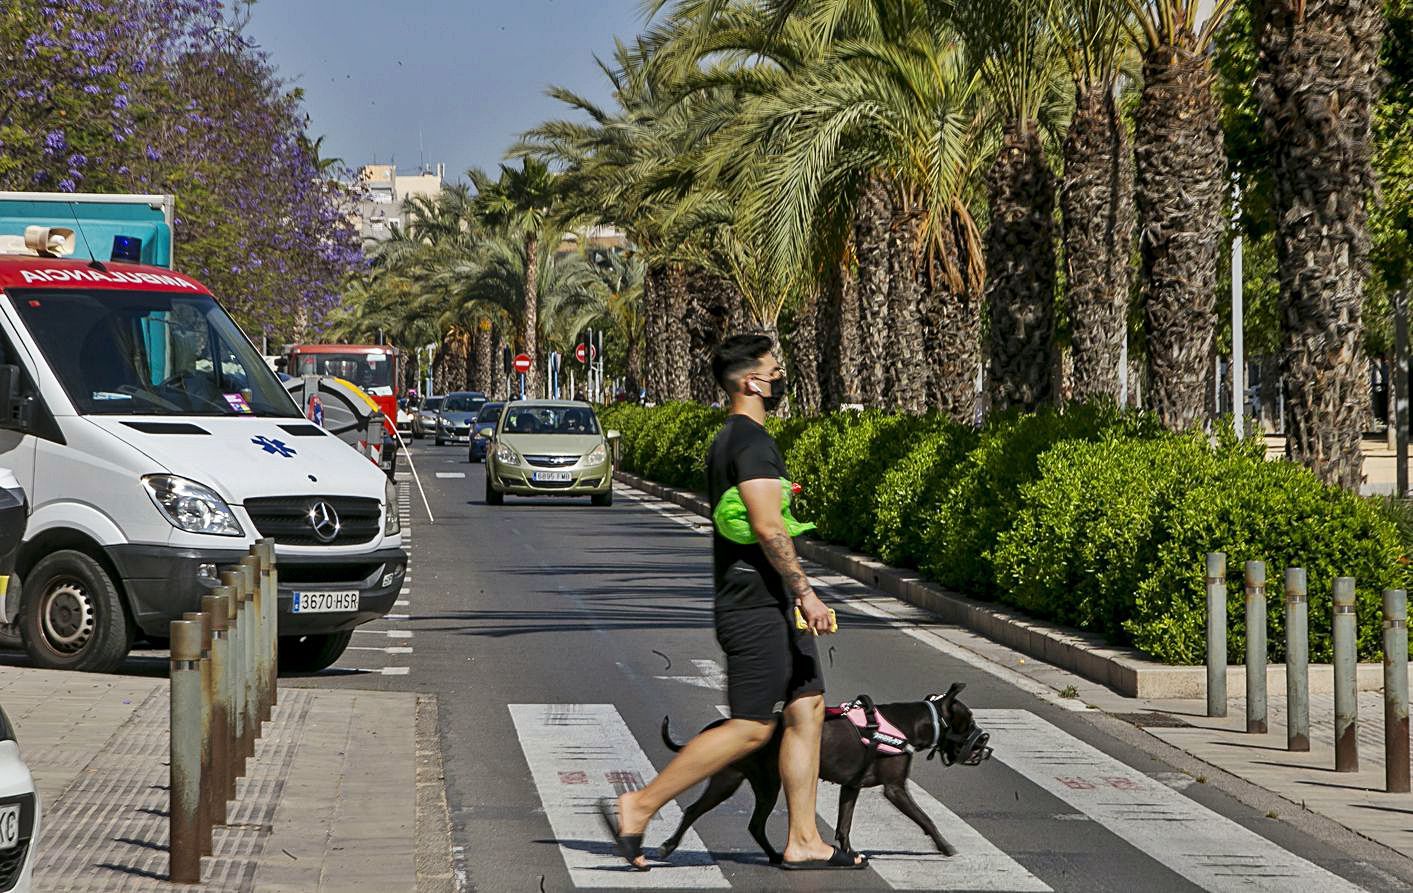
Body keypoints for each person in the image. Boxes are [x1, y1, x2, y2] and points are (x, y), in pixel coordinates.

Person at [600, 334, 866, 872]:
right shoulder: (753, 444)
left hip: (763, 602)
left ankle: (804, 839)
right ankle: (641, 804)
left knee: (808, 707)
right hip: (755, 606)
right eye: (773, 369)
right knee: (751, 726)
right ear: (752, 382)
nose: (779, 377)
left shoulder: (729, 439)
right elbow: (768, 527)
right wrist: (807, 594)